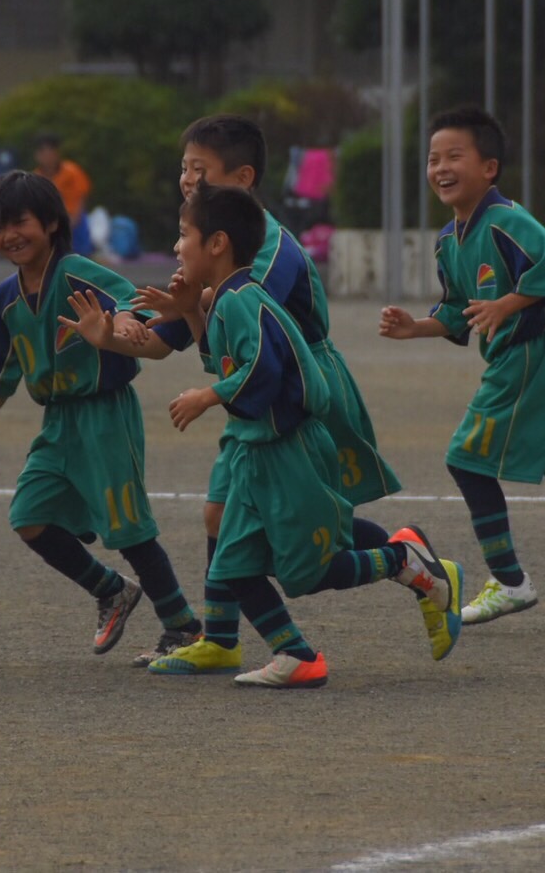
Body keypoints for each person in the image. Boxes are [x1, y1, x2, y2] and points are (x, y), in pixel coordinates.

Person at [65, 180, 458, 688]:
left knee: (310, 571)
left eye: (184, 234)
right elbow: (222, 357)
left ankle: (403, 560)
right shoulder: (227, 298)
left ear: (218, 243)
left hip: (288, 451)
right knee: (234, 565)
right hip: (257, 450)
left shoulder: (245, 298)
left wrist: (208, 396)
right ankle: (295, 654)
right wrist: (188, 311)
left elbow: (261, 370)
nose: (177, 246)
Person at [0, 170, 203, 666]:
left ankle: (182, 627)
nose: (9, 236)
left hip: (105, 414)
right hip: (58, 421)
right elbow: (3, 359)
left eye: (19, 222)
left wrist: (128, 322)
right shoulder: (6, 295)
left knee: (129, 527)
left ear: (50, 223)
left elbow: (128, 299)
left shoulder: (76, 271)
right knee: (29, 516)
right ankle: (111, 590)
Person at [379, 106, 545, 626]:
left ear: (489, 167)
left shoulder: (508, 220)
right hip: (520, 358)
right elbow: (455, 312)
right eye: (432, 158)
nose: (440, 168)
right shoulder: (449, 240)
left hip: (530, 353)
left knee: (466, 459)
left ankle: (510, 580)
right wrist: (414, 327)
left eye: (454, 156)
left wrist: (507, 305)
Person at [33, 134, 94, 256]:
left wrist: (73, 219)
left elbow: (82, 196)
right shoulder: (35, 178)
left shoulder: (72, 171)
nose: (46, 157)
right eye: (42, 152)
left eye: (50, 152)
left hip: (74, 218)